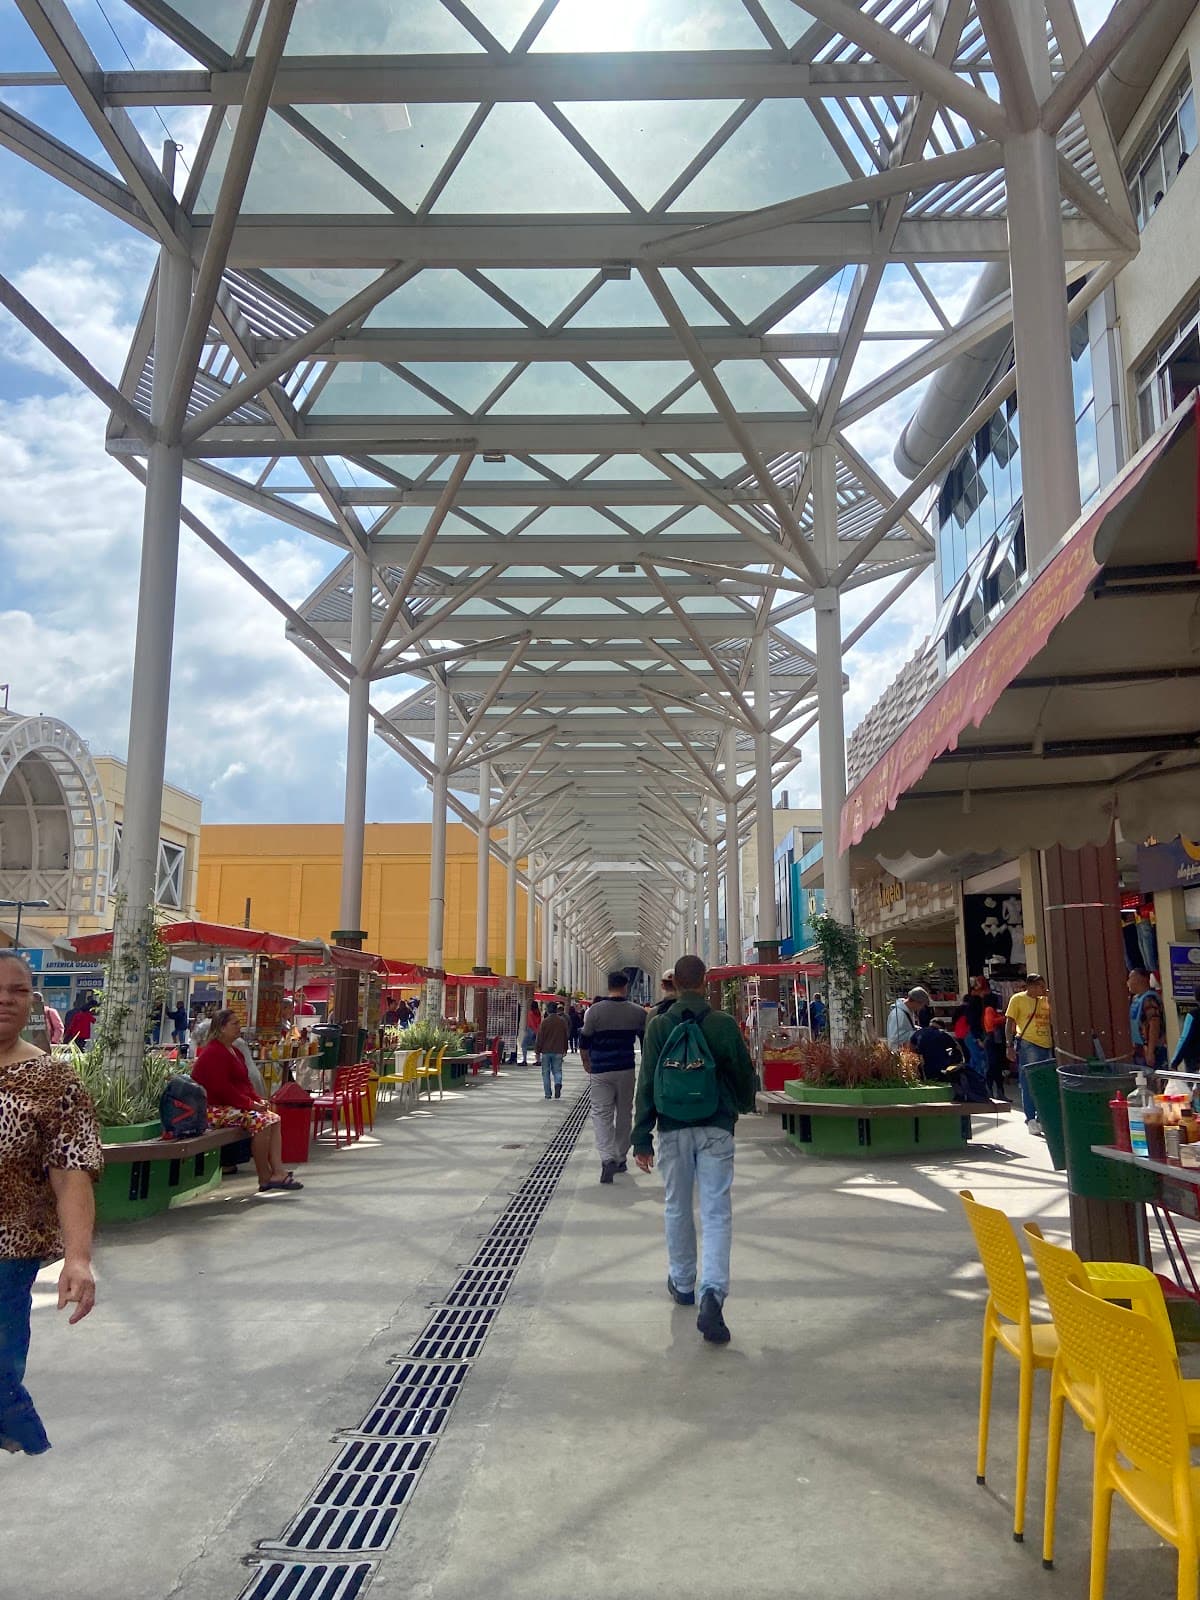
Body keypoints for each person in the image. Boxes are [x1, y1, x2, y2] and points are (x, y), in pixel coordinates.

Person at [0, 951, 102, 1454]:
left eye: (17, 990)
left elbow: (72, 1173)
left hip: (7, 1254)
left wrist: (78, 1259)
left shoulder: (54, 1081)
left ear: (33, 1002)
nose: (4, 999)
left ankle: (19, 1432)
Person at [631, 954, 756, 1345]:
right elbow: (742, 1074)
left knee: (677, 1205)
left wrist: (640, 1136)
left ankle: (683, 1282)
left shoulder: (658, 1024)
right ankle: (712, 1293)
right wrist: (742, 1105)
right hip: (716, 1126)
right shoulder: (721, 1024)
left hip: (672, 1127)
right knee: (717, 1212)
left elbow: (647, 1081)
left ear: (675, 983)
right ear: (704, 981)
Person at [191, 1010, 302, 1193]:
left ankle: (278, 1171)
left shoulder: (234, 1051)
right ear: (221, 1028)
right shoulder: (214, 1052)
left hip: (230, 1106)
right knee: (262, 1121)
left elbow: (244, 1082)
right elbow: (222, 1089)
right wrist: (250, 1104)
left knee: (273, 1118)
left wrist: (258, 1100)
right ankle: (264, 1176)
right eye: (234, 1024)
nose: (238, 1027)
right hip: (213, 1109)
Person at [580, 971, 646, 1183]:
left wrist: (587, 1063)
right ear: (626, 986)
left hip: (601, 1070)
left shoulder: (594, 1011)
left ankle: (607, 1157)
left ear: (608, 986)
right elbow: (645, 1041)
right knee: (625, 1113)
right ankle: (620, 1156)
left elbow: (584, 1042)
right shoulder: (637, 1012)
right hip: (625, 1068)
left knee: (601, 1113)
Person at [1005, 973, 1054, 1135]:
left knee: (1044, 1082)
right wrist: (1009, 1045)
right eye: (1040, 986)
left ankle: (1042, 1118)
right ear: (1031, 986)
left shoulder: (1045, 1000)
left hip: (1046, 1044)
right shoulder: (1017, 999)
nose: (1043, 989)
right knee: (1029, 1081)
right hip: (1028, 1043)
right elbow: (1009, 1022)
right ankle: (1030, 1118)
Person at [909, 1005, 964, 1083]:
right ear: (941, 1026)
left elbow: (911, 1047)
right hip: (940, 1065)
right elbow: (957, 1047)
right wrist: (961, 1061)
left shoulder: (918, 1032)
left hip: (923, 1065)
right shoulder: (942, 1034)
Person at [1127, 967, 1167, 1071]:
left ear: (1140, 979)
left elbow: (1154, 1024)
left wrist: (1150, 1051)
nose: (1127, 982)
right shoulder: (1136, 999)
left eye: (1130, 978)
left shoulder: (1149, 999)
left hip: (1151, 1049)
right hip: (1139, 1048)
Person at [535, 1002, 569, 1100]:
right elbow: (565, 1036)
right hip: (558, 1050)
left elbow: (539, 1037)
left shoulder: (544, 1022)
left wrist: (537, 1051)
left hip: (546, 1051)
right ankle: (558, 1083)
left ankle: (548, 1094)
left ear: (548, 1010)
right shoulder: (562, 1021)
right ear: (556, 1009)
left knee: (546, 1073)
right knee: (557, 1070)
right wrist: (565, 1049)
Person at [885, 986, 930, 1051]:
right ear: (916, 1002)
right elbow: (895, 1038)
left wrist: (916, 1029)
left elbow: (905, 1028)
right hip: (898, 1053)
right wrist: (916, 1033)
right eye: (922, 1005)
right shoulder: (899, 1014)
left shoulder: (908, 1011)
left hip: (906, 1051)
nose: (921, 1008)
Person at [520, 1001, 541, 1066]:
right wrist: (537, 1032)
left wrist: (534, 1030)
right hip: (537, 1030)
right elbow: (538, 1023)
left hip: (530, 1030)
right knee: (536, 1046)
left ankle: (524, 1060)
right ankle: (538, 1060)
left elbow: (531, 1023)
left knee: (524, 1044)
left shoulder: (531, 1013)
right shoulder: (538, 1013)